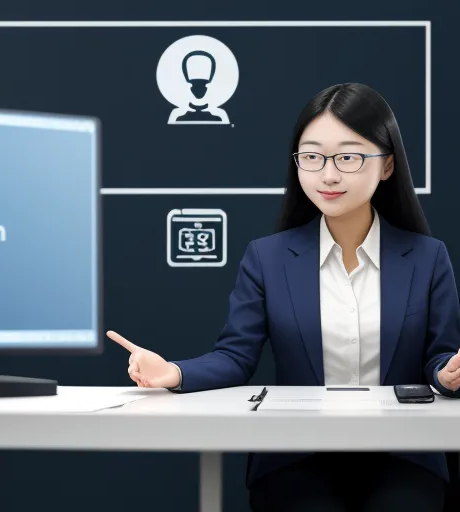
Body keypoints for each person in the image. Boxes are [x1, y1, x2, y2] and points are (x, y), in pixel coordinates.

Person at [106, 82, 460, 511]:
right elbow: (236, 358)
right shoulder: (268, 258)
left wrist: (446, 376)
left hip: (403, 454)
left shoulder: (426, 257)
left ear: (386, 165)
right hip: (296, 454)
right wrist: (174, 372)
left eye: (348, 156)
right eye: (312, 156)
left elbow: (439, 359)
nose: (328, 175)